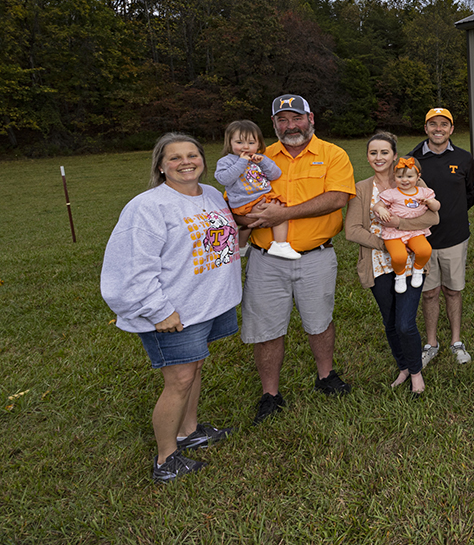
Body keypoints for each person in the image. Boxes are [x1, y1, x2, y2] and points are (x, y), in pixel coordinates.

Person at [100, 133, 242, 484]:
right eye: (175, 158)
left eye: (192, 154)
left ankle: (188, 430)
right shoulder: (148, 207)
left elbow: (221, 243)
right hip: (172, 311)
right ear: (161, 166)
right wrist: (158, 310)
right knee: (178, 379)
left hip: (204, 304)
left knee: (193, 368)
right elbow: (130, 268)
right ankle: (166, 457)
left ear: (203, 160)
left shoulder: (211, 195)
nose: (185, 162)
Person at [236, 94, 356, 424]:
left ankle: (326, 376)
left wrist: (283, 214)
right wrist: (247, 219)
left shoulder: (333, 154)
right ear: (273, 124)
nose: (291, 126)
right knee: (266, 327)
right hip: (266, 259)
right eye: (282, 120)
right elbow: (238, 199)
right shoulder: (257, 157)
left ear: (311, 118)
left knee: (319, 320)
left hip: (315, 255)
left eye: (296, 118)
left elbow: (337, 198)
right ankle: (270, 394)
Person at [345, 132, 440, 396]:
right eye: (373, 153)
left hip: (411, 263)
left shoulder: (412, 180)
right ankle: (403, 367)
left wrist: (401, 226)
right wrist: (384, 243)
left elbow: (433, 219)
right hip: (378, 263)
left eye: (384, 152)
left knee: (405, 323)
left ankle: (416, 373)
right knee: (390, 321)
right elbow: (352, 230)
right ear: (367, 156)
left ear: (395, 155)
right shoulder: (362, 189)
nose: (379, 157)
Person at [408, 107, 474, 367]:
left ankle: (456, 342)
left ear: (451, 129)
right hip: (422, 240)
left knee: (453, 291)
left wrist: (453, 213)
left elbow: (471, 193)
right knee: (428, 293)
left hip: (455, 237)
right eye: (433, 124)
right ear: (425, 128)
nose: (438, 129)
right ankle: (431, 343)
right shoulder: (412, 160)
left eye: (444, 124)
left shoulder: (463, 158)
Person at [213, 120, 300, 260]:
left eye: (251, 143)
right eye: (239, 142)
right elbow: (224, 179)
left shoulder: (259, 159)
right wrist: (242, 162)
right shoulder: (227, 161)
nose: (245, 147)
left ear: (259, 144)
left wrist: (263, 162)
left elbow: (275, 174)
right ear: (229, 142)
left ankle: (240, 246)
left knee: (275, 210)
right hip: (244, 201)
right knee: (279, 215)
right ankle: (280, 245)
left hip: (261, 197)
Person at [372, 157, 441, 293]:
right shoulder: (392, 193)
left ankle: (417, 268)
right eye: (400, 177)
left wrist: (429, 202)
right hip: (394, 232)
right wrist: (380, 209)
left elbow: (437, 207)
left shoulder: (423, 192)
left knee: (425, 250)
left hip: (415, 231)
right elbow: (377, 206)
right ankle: (400, 275)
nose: (404, 180)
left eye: (409, 176)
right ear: (394, 177)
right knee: (399, 256)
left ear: (418, 177)